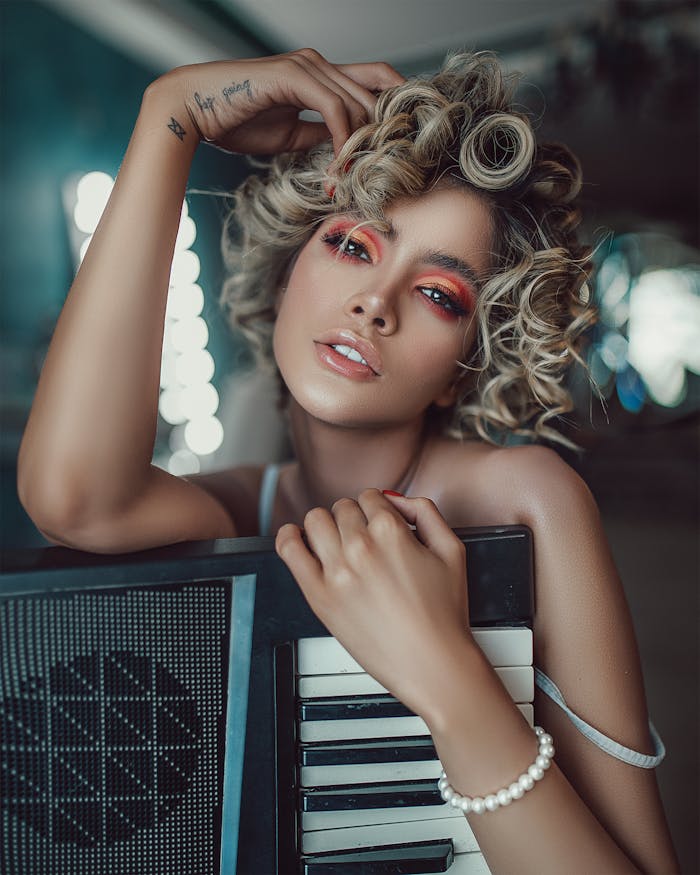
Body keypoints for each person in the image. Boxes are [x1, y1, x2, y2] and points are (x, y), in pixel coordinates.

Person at [17, 48, 679, 872]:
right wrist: (170, 118)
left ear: (464, 366)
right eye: (354, 245)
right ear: (289, 268)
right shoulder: (231, 512)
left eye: (440, 294)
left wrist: (448, 678)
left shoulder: (527, 499)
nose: (376, 301)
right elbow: (74, 500)